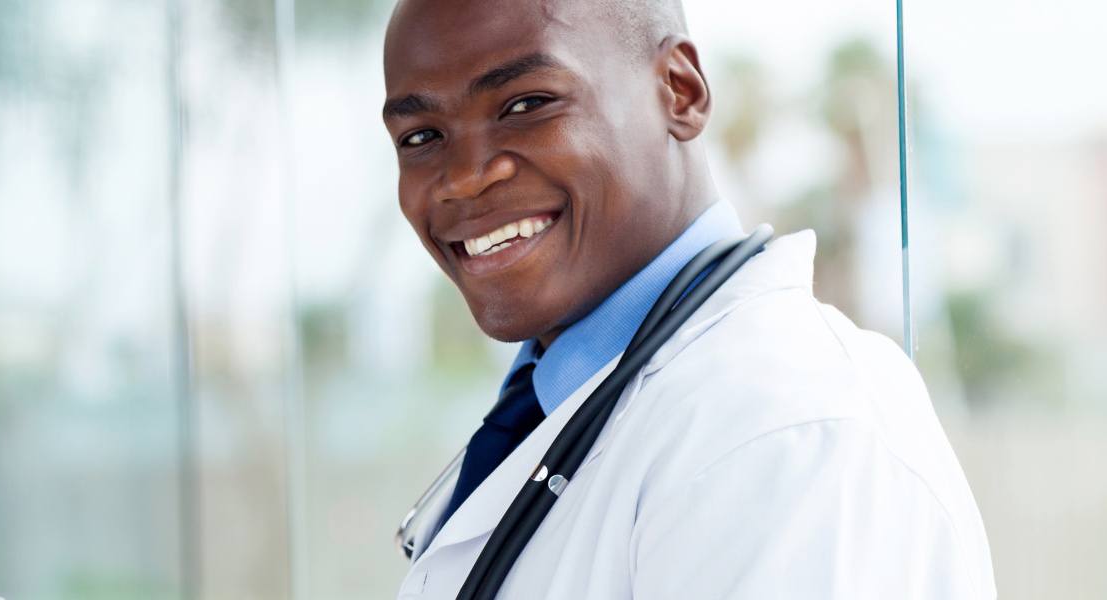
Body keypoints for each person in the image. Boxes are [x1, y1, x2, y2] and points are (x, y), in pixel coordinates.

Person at [379, 0, 996, 597]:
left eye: (526, 104)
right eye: (421, 137)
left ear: (680, 92)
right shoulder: (559, 406)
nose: (464, 178)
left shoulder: (780, 427)